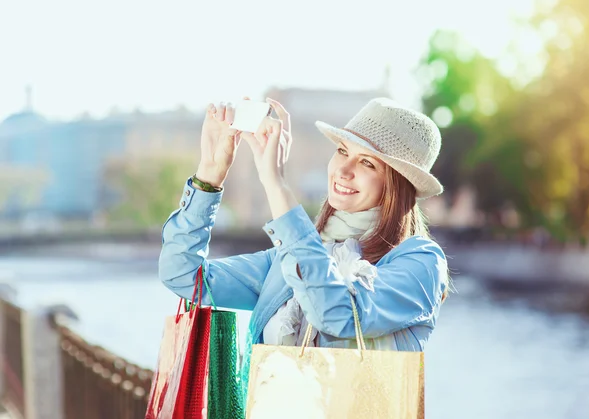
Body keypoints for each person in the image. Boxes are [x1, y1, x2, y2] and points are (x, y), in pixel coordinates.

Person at [158, 96, 452, 400]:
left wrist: (276, 184)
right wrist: (209, 174)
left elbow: (336, 313)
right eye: (342, 151)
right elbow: (183, 275)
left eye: (367, 163)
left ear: (398, 184)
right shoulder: (293, 258)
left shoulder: (421, 263)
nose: (344, 170)